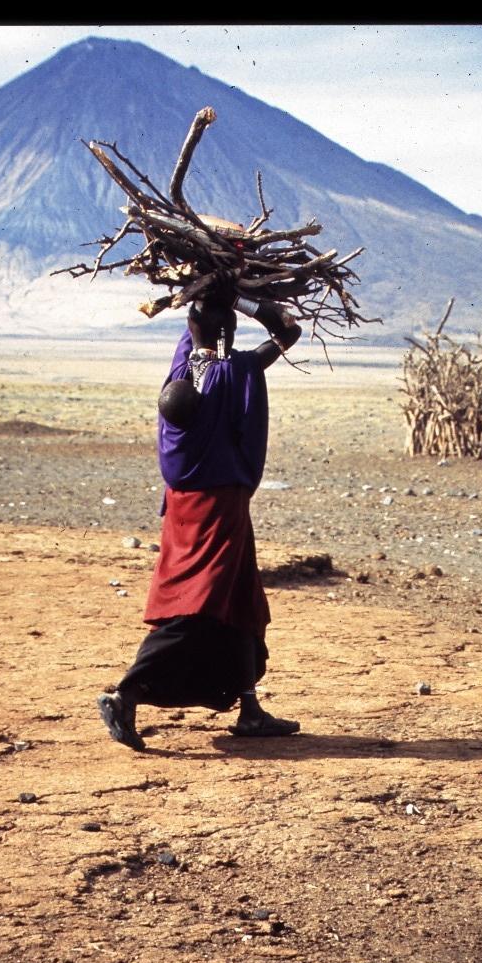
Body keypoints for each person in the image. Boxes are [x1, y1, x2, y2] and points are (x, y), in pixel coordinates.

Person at [97, 277, 302, 752]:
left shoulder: (178, 382)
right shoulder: (237, 372)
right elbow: (287, 330)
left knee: (240, 600)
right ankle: (124, 693)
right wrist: (241, 300)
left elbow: (196, 341)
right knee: (199, 602)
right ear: (227, 333)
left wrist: (202, 307)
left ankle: (250, 712)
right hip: (221, 510)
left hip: (183, 511)